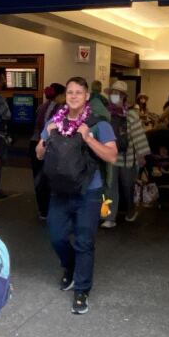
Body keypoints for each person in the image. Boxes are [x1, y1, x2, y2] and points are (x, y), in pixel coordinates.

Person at [36, 77, 117, 315]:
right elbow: (39, 154)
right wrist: (45, 138)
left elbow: (111, 156)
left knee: (84, 242)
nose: (73, 96)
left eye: (78, 93)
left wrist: (89, 138)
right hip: (60, 190)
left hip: (89, 191)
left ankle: (82, 289)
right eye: (69, 92)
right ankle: (69, 266)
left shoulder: (98, 124)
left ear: (87, 96)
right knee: (57, 236)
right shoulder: (54, 121)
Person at [103, 81, 150, 228]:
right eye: (112, 93)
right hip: (109, 156)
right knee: (109, 187)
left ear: (123, 96)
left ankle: (130, 211)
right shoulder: (105, 113)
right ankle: (109, 217)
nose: (114, 96)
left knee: (128, 186)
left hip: (127, 157)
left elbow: (138, 135)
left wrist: (141, 155)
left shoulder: (131, 114)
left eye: (118, 93)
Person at [30, 83, 65, 222]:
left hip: (34, 143)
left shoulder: (41, 107)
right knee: (51, 178)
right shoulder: (61, 110)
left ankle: (42, 210)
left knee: (39, 179)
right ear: (60, 95)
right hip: (49, 146)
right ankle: (52, 209)